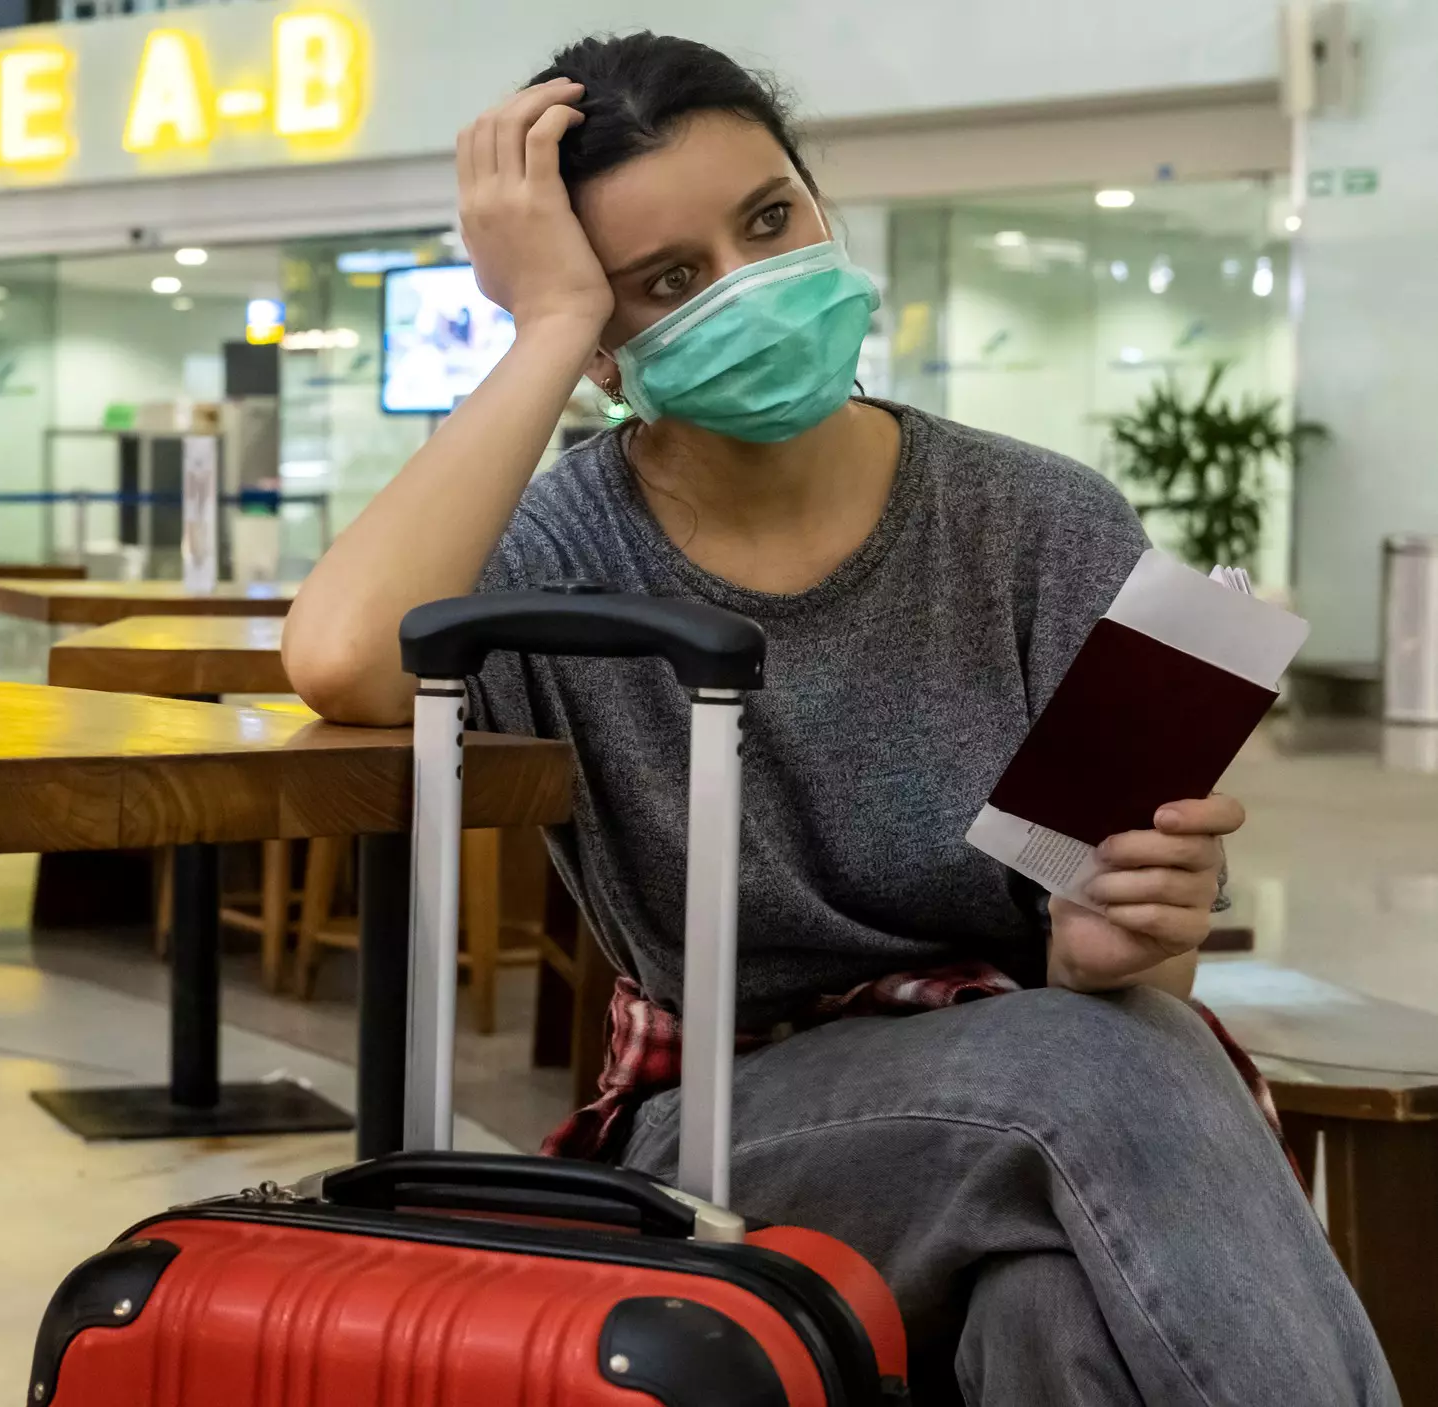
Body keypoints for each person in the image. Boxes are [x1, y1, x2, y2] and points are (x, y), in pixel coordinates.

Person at [282, 30, 1397, 1407]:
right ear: (610, 345)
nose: (749, 287)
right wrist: (547, 329)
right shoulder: (552, 553)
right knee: (1099, 1071)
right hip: (727, 1128)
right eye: (665, 283)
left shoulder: (1040, 523)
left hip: (1052, 1087)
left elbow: (1121, 987)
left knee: (1059, 1300)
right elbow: (341, 660)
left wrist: (1122, 937)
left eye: (769, 220)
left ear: (819, 201)